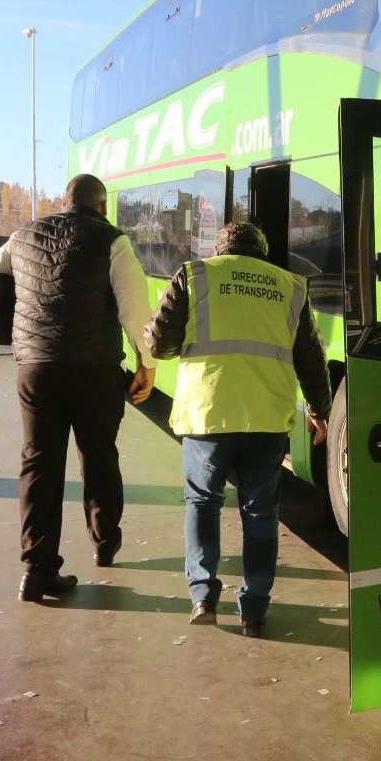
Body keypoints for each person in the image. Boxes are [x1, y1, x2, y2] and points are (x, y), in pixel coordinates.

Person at [0, 173, 157, 603]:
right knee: (98, 454)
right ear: (102, 205)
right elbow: (133, 307)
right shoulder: (112, 239)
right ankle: (104, 542)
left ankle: (37, 571)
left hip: (36, 369)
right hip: (94, 370)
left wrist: (13, 334)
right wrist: (147, 364)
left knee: (38, 462)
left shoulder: (22, 237)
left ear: (63, 201)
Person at [143, 222, 332, 637]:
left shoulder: (194, 275)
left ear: (219, 248)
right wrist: (320, 408)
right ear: (262, 252)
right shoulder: (290, 285)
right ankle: (254, 609)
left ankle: (203, 597)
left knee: (202, 502)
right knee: (260, 512)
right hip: (265, 418)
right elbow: (310, 358)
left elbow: (158, 344)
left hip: (208, 414)